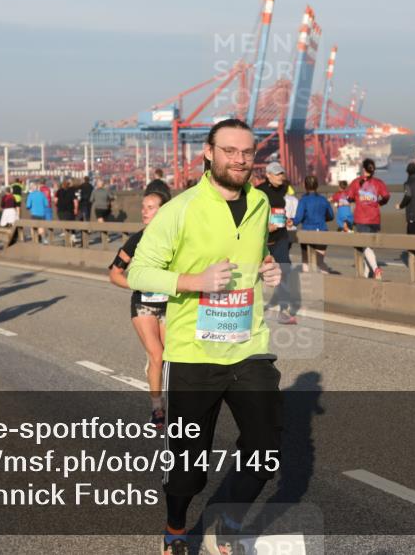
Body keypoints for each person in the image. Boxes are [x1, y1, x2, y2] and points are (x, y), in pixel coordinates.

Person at [126, 118, 282, 555]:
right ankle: (176, 527)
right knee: (187, 466)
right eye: (229, 151)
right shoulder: (181, 209)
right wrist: (196, 281)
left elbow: (255, 254)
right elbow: (139, 271)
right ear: (208, 154)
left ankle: (224, 520)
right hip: (194, 352)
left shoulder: (260, 203)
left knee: (266, 449)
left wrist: (269, 268)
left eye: (247, 152)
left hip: (249, 346)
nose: (240, 159)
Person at [109, 190, 170, 427]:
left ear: (163, 211)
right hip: (143, 304)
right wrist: (136, 283)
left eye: (151, 207)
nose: (144, 210)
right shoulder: (136, 240)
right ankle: (157, 409)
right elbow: (114, 274)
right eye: (143, 206)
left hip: (169, 304)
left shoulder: (176, 239)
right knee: (157, 355)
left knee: (170, 358)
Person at [258, 162, 300, 323]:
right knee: (258, 273)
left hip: (281, 236)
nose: (280, 177)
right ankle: (250, 307)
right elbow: (253, 214)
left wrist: (287, 220)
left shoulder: (283, 189)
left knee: (285, 270)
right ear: (268, 175)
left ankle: (284, 311)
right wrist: (266, 226)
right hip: (264, 238)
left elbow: (281, 210)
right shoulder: (259, 191)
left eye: (282, 173)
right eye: (277, 174)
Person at [344, 158, 391, 279]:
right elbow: (386, 196)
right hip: (375, 218)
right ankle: (366, 273)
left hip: (361, 218)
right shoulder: (378, 182)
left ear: (363, 169)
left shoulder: (355, 182)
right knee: (368, 246)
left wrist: (357, 199)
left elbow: (348, 198)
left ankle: (376, 270)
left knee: (365, 246)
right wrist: (379, 203)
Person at [292, 175, 335, 274]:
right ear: (317, 185)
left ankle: (308, 285)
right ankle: (327, 282)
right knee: (320, 262)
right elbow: (331, 216)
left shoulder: (303, 200)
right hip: (322, 231)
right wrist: (322, 218)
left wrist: (291, 221)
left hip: (307, 233)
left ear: (304, 186)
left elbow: (298, 219)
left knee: (306, 261)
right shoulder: (323, 200)